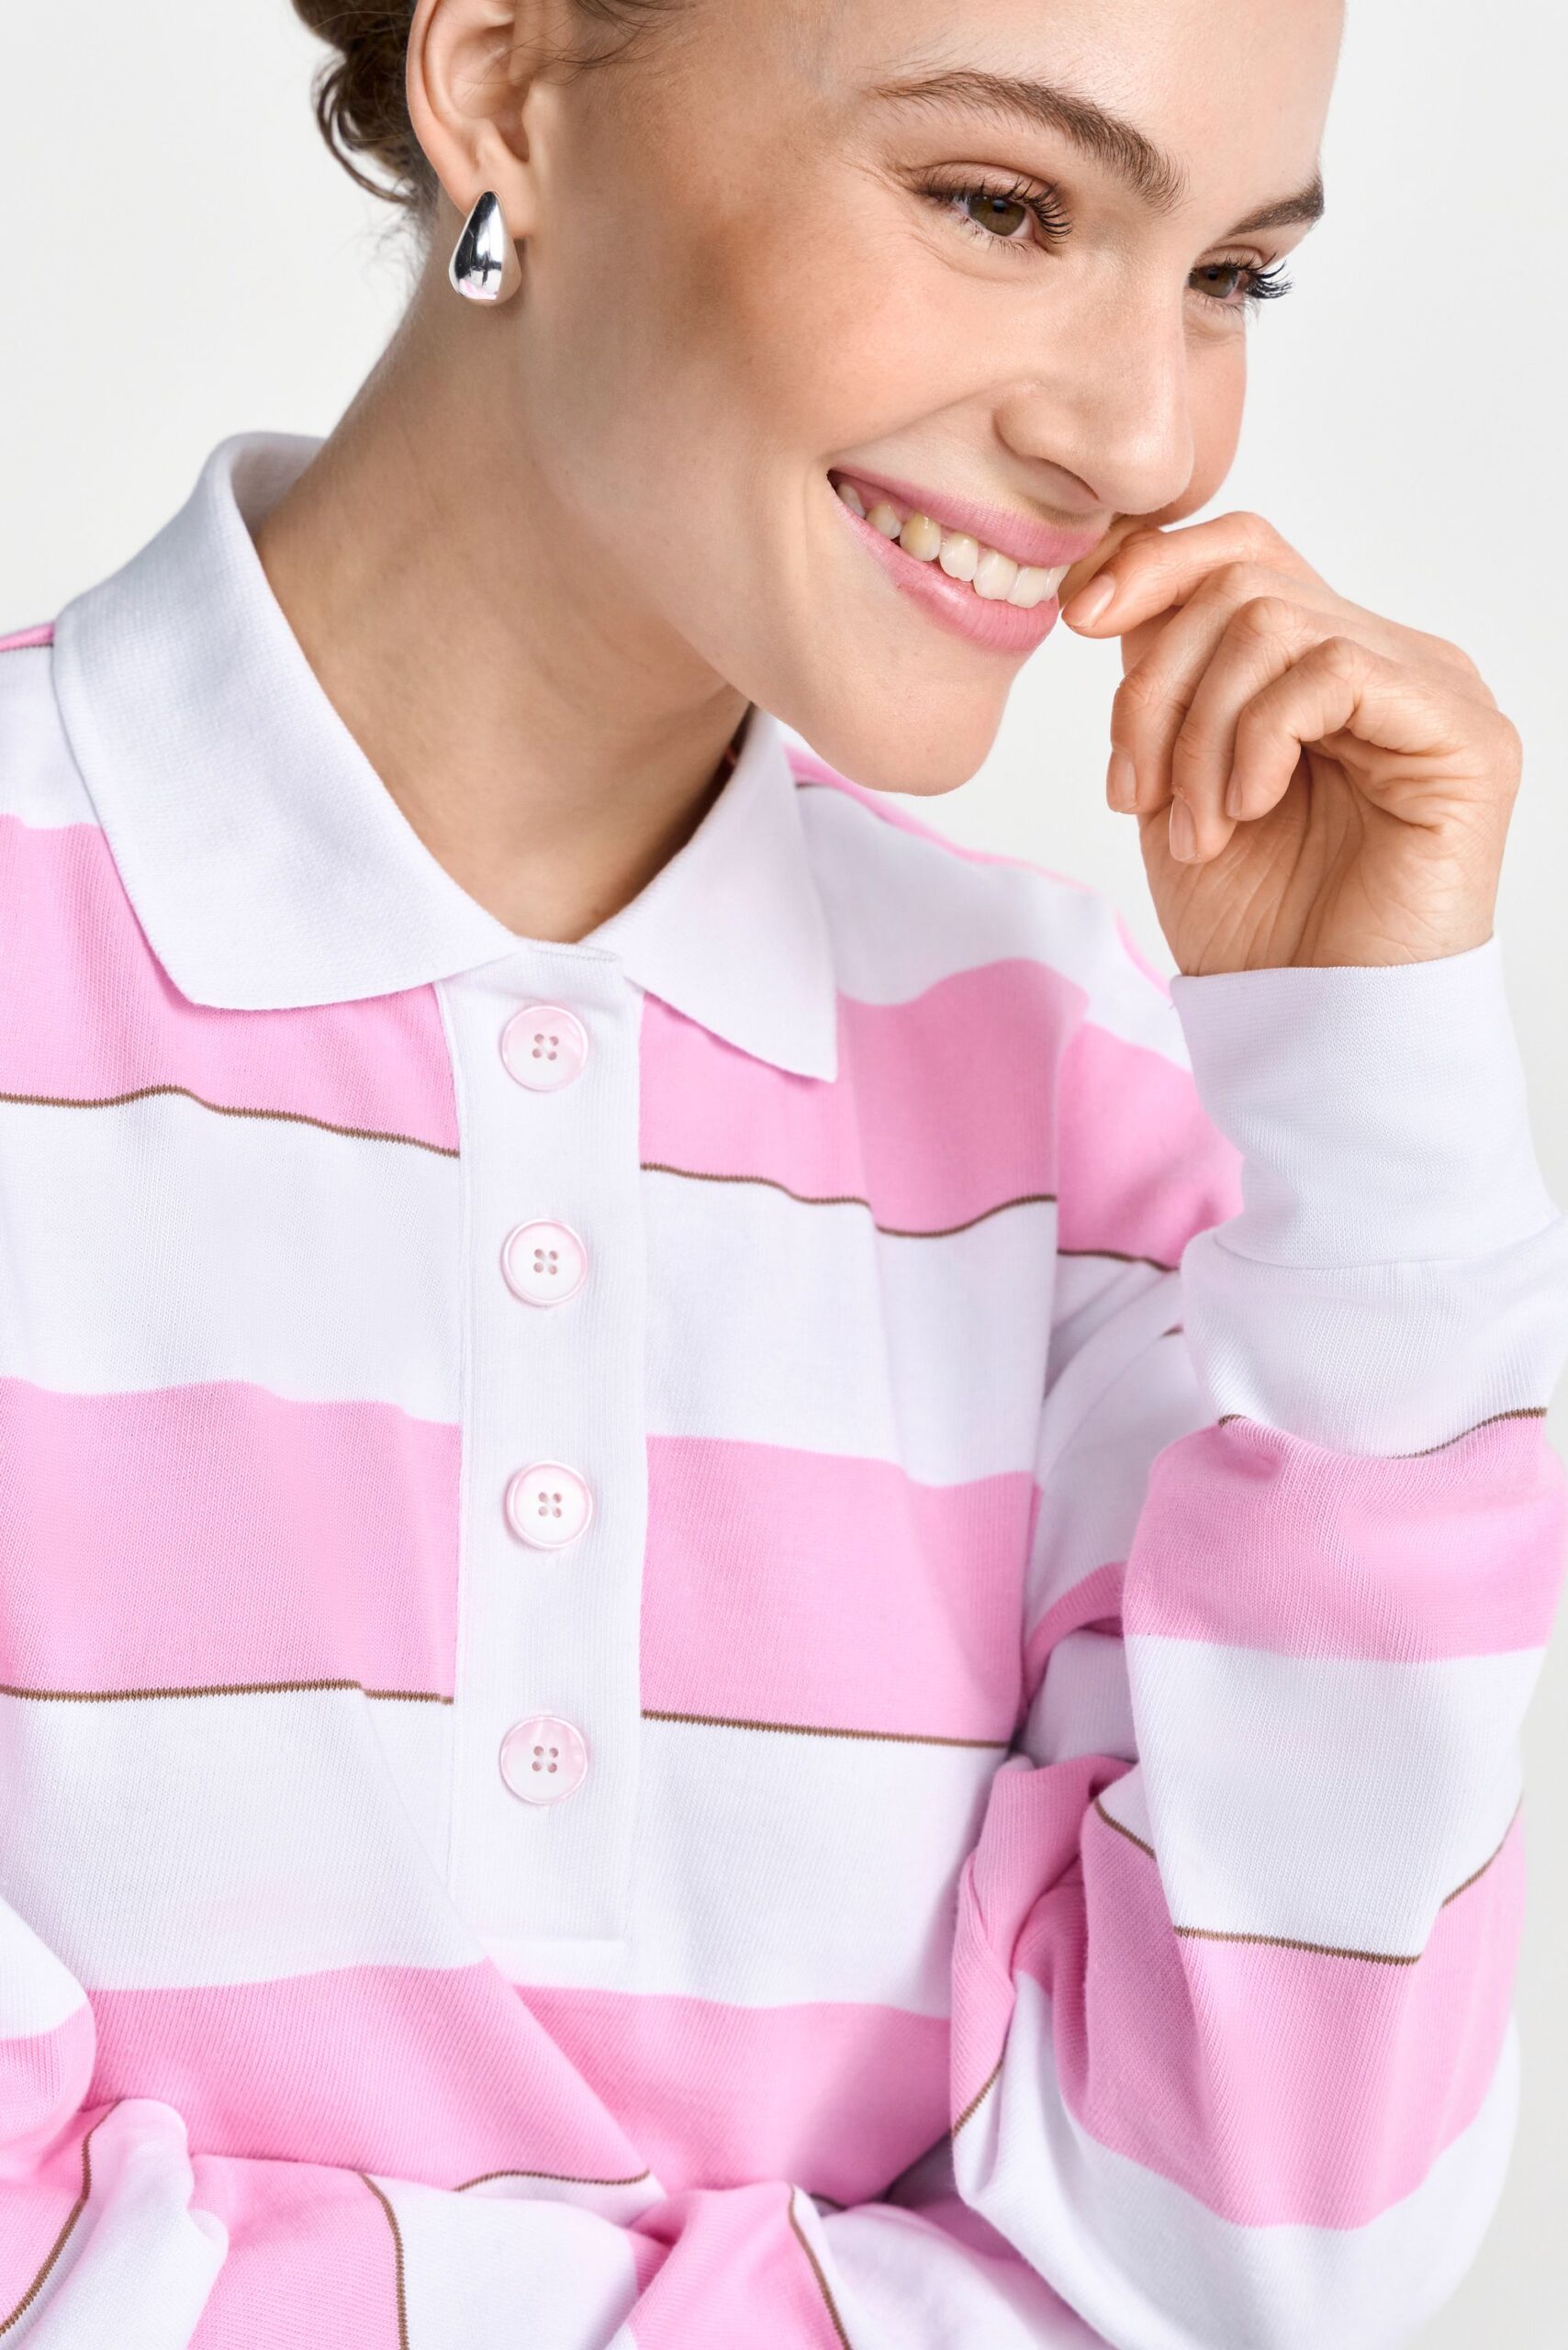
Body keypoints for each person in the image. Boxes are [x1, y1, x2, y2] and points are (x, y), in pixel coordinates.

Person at [1, 1, 1562, 2343]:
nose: (1139, 436)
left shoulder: (1065, 1087)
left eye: (1228, 276)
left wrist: (1375, 1124)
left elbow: (1262, 2254)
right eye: (999, 205)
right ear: (503, 80)